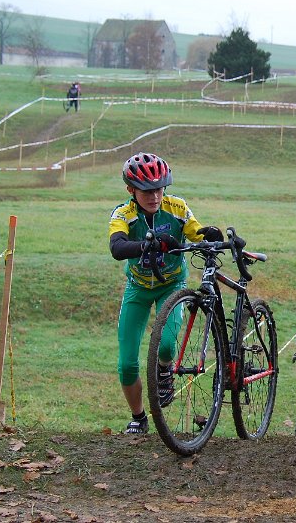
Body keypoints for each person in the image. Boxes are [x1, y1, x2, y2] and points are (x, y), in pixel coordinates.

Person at [108, 152, 223, 434]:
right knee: (126, 364)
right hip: (137, 289)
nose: (155, 196)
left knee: (167, 346)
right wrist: (149, 244)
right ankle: (138, 417)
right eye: (147, 191)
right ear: (131, 190)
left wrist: (210, 234)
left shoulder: (177, 208)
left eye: (159, 189)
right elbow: (117, 247)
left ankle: (164, 372)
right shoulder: (123, 214)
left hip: (171, 286)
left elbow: (196, 232)